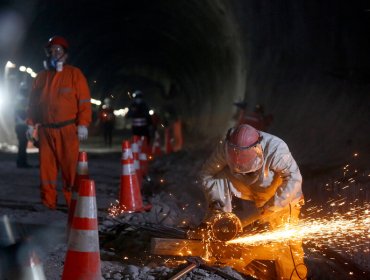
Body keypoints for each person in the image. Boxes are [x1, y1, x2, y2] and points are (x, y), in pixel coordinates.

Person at [200, 124, 307, 279]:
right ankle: (221, 219)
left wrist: (273, 205)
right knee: (217, 175)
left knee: (286, 243)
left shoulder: (276, 148)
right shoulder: (225, 148)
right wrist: (215, 203)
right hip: (254, 194)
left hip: (283, 197)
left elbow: (294, 178)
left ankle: (293, 277)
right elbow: (207, 173)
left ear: (258, 148)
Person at [26, 35, 92, 210]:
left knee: (70, 170)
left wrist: (83, 123)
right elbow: (33, 103)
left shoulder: (74, 74)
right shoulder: (41, 77)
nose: (55, 53)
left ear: (65, 54)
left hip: (67, 129)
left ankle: (73, 204)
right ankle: (48, 203)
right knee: (46, 171)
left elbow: (84, 101)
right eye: (52, 50)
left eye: (58, 50)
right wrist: (31, 123)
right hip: (46, 131)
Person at [14, 82, 31, 168]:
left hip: (20, 125)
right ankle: (22, 163)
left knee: (22, 144)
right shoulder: (22, 99)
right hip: (22, 125)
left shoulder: (19, 98)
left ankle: (21, 162)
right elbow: (22, 113)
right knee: (22, 144)